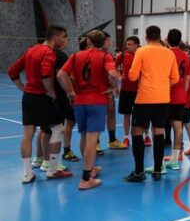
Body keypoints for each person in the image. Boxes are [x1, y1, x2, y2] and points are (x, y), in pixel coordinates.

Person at [8, 25, 72, 183]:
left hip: (28, 97)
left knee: (27, 133)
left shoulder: (31, 50)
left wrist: (23, 88)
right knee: (57, 129)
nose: (65, 39)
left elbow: (12, 71)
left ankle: (27, 173)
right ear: (55, 37)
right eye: (63, 36)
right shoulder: (49, 53)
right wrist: (50, 91)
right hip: (42, 97)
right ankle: (53, 170)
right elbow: (45, 74)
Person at [57, 30, 120, 190]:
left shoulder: (76, 56)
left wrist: (70, 91)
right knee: (93, 138)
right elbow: (112, 73)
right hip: (97, 101)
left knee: (84, 135)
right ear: (102, 42)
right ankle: (86, 179)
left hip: (79, 101)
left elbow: (61, 75)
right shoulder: (105, 57)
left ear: (89, 42)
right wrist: (115, 87)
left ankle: (89, 168)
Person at [123, 25, 179, 182]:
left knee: (137, 132)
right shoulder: (169, 53)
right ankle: (157, 170)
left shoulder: (141, 51)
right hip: (163, 99)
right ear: (159, 36)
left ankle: (139, 171)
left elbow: (132, 76)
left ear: (146, 37)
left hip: (145, 98)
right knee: (159, 132)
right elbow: (175, 79)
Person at [160, 29, 190, 172]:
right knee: (178, 126)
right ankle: (175, 159)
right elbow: (188, 79)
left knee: (159, 126)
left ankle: (158, 161)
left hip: (166, 94)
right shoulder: (186, 56)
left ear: (167, 39)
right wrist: (182, 93)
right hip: (180, 95)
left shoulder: (166, 54)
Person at [115, 36, 145, 148]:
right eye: (126, 44)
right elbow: (113, 67)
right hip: (126, 90)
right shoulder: (122, 55)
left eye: (130, 44)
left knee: (142, 115)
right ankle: (126, 137)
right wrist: (118, 76)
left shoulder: (143, 54)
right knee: (126, 115)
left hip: (140, 90)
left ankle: (146, 136)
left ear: (137, 45)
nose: (127, 47)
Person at [55, 35, 79, 163]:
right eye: (65, 37)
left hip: (54, 95)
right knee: (67, 124)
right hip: (64, 96)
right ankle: (65, 151)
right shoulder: (64, 57)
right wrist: (70, 91)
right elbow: (65, 76)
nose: (66, 40)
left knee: (48, 128)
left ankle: (43, 158)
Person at [102, 32, 126, 151]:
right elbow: (111, 74)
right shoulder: (105, 56)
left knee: (110, 115)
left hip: (105, 91)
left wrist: (114, 87)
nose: (109, 43)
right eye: (107, 40)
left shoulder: (108, 55)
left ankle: (111, 140)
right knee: (100, 116)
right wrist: (118, 81)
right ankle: (96, 142)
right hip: (100, 92)